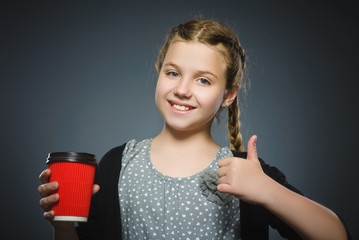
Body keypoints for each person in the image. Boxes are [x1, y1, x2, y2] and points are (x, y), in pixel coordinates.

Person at [38, 18, 350, 239]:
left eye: (203, 80)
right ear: (160, 74)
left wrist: (268, 191)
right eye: (173, 73)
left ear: (228, 94)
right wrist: (62, 225)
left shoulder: (245, 172)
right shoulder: (117, 164)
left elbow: (335, 235)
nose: (183, 90)